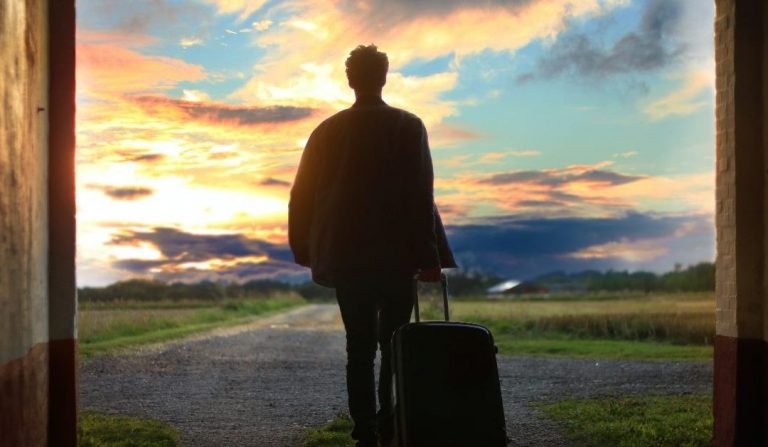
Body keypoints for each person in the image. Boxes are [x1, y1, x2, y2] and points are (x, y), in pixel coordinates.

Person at [288, 44, 456, 447]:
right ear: (384, 77)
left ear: (350, 80)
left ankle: (364, 433)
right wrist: (429, 257)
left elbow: (301, 196)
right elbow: (421, 195)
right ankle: (391, 426)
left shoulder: (326, 131)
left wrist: (306, 250)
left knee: (358, 347)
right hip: (398, 256)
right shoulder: (408, 125)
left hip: (346, 257)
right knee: (395, 344)